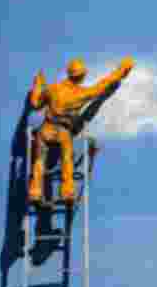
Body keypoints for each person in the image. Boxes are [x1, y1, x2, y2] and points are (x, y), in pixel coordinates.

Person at [27, 57, 135, 206]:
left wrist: (37, 85)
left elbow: (35, 104)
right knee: (67, 160)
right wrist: (122, 70)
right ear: (82, 76)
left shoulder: (52, 89)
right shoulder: (81, 94)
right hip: (63, 133)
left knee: (39, 160)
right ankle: (67, 192)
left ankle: (34, 191)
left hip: (45, 130)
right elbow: (103, 84)